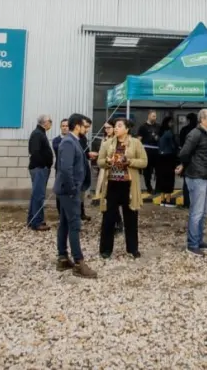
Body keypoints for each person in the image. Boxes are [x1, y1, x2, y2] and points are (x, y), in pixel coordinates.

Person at [97, 118, 149, 258]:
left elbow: (144, 162)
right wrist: (107, 162)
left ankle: (133, 249)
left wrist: (129, 161)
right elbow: (99, 161)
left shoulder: (136, 143)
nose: (116, 128)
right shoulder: (107, 143)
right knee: (108, 218)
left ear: (127, 129)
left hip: (129, 186)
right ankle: (105, 250)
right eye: (115, 126)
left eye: (119, 126)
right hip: (112, 185)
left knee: (131, 217)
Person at [53, 113, 97, 278]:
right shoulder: (69, 142)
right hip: (69, 191)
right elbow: (65, 169)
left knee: (64, 223)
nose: (86, 128)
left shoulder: (73, 142)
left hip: (68, 190)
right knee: (74, 225)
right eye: (84, 125)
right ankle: (79, 263)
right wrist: (73, 190)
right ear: (77, 126)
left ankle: (63, 258)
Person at [176, 109, 207, 255]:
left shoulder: (206, 134)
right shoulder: (195, 134)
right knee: (197, 212)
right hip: (197, 176)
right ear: (202, 119)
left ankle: (198, 240)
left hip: (205, 176)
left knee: (204, 212)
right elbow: (184, 153)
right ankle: (192, 244)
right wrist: (186, 165)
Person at [27, 114, 54, 231]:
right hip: (39, 169)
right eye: (50, 121)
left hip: (40, 169)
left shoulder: (40, 133)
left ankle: (32, 219)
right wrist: (43, 165)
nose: (51, 124)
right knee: (39, 196)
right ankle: (37, 222)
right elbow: (35, 152)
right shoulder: (37, 134)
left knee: (36, 195)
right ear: (45, 122)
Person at [137, 111, 161, 194]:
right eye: (153, 116)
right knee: (147, 172)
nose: (155, 118)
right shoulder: (143, 127)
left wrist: (157, 137)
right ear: (149, 116)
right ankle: (149, 187)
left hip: (157, 153)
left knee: (158, 171)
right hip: (146, 153)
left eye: (155, 116)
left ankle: (158, 188)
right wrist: (139, 151)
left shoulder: (158, 126)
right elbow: (139, 139)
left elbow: (160, 138)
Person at [178, 113, 198, 210]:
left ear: (188, 120)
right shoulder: (199, 130)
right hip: (198, 159)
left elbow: (181, 145)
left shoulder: (184, 130)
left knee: (186, 182)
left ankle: (187, 203)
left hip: (187, 159)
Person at [156, 116, 178, 201]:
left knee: (162, 177)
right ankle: (168, 199)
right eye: (171, 122)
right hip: (169, 158)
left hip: (160, 157)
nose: (172, 124)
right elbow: (173, 146)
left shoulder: (160, 132)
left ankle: (162, 198)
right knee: (169, 178)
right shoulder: (169, 133)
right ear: (168, 123)